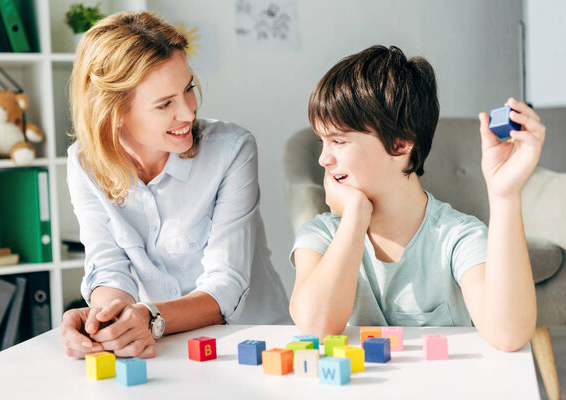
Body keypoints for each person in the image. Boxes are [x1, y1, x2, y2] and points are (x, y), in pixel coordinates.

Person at [60, 11, 290, 359]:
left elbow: (226, 284)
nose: (188, 112)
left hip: (255, 344)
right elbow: (108, 267)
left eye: (188, 89)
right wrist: (106, 319)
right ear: (114, 111)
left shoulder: (232, 150)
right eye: (165, 104)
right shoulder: (84, 164)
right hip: (166, 351)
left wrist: (148, 317)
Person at [289, 45, 545, 351]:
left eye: (338, 141)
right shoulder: (320, 236)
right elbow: (316, 328)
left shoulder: (457, 237)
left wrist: (504, 195)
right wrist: (356, 215)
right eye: (322, 141)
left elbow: (509, 335)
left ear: (400, 144)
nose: (323, 159)